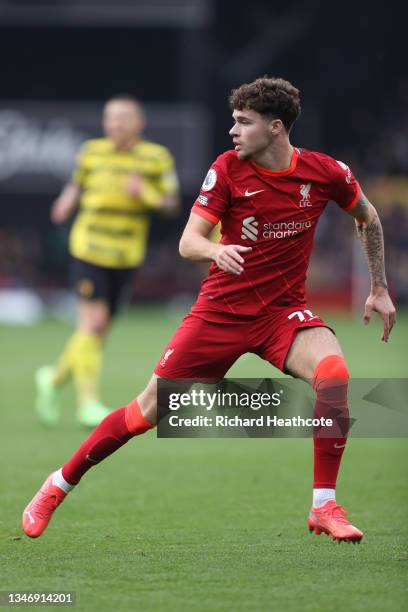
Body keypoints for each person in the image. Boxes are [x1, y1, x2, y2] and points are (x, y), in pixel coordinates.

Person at [23, 77, 396, 542]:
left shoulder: (326, 173)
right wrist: (214, 252)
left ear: (276, 128)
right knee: (145, 412)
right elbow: (187, 241)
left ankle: (325, 505)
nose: (232, 131)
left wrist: (378, 286)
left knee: (335, 374)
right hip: (219, 314)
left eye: (244, 122)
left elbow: (368, 217)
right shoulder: (227, 169)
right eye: (233, 121)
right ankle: (56, 485)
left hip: (282, 315)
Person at [35, 95, 179, 427]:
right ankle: (87, 403)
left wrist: (144, 192)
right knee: (93, 323)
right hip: (89, 248)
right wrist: (65, 202)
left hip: (126, 254)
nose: (116, 123)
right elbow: (76, 184)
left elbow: (170, 203)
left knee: (98, 332)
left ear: (139, 123)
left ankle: (53, 380)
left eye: (123, 117)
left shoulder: (156, 158)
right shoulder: (91, 152)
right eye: (110, 118)